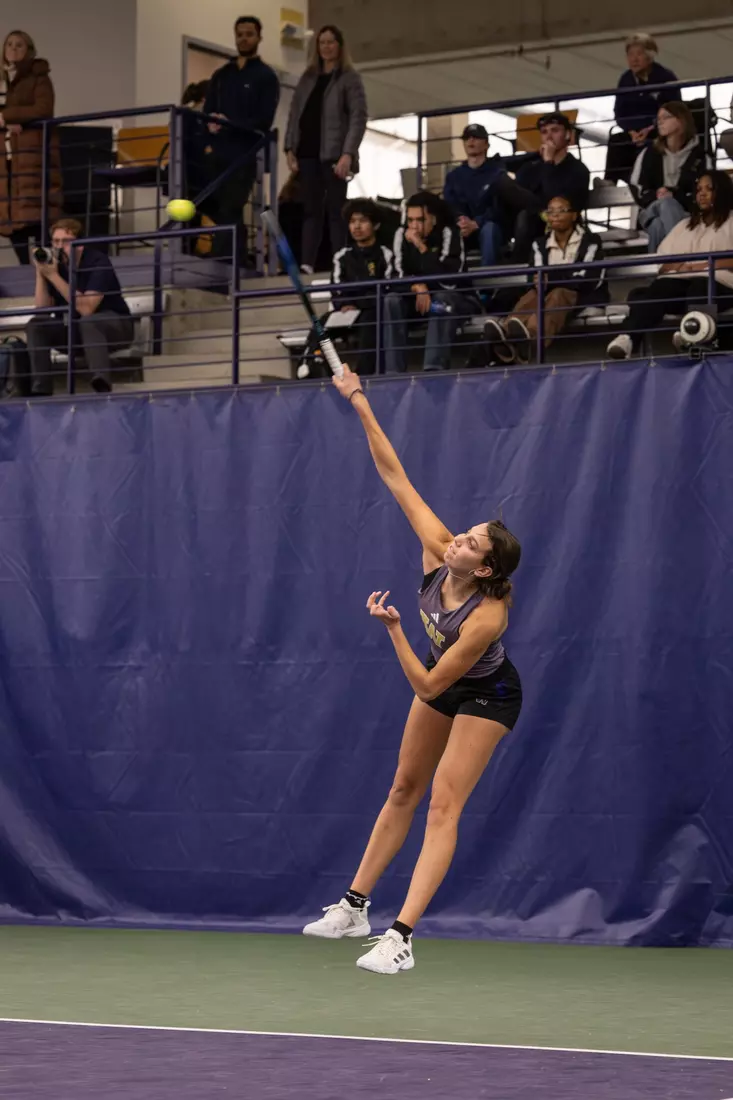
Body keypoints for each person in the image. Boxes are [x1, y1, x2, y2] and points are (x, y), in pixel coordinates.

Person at [302, 363, 522, 974]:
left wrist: (397, 629)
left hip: (488, 696)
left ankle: (400, 939)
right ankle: (355, 906)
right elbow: (395, 474)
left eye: (472, 543)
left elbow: (429, 684)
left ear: (484, 569)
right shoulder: (437, 549)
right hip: (441, 679)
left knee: (443, 805)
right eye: (467, 533)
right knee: (403, 787)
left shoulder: (487, 618)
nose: (459, 540)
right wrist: (358, 401)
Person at [606, 172, 733, 360]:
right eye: (699, 190)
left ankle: (694, 336)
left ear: (722, 192)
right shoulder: (684, 225)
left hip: (722, 286)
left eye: (709, 189)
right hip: (681, 284)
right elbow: (662, 264)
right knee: (660, 287)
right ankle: (628, 338)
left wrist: (704, 266)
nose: (702, 194)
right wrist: (675, 266)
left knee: (700, 286)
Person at [483, 195, 607, 365]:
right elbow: (534, 275)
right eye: (550, 211)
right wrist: (552, 279)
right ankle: (505, 334)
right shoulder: (539, 244)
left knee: (558, 293)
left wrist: (552, 278)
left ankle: (531, 339)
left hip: (582, 296)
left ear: (574, 215)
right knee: (532, 295)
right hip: (546, 293)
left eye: (561, 210)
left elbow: (588, 277)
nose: (555, 215)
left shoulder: (591, 241)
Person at [285, 25, 367, 274]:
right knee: (310, 210)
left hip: (334, 155)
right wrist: (290, 147)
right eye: (322, 43)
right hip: (307, 153)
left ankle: (339, 262)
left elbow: (358, 117)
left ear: (339, 46)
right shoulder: (308, 78)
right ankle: (307, 263)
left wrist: (348, 153)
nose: (326, 47)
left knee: (335, 210)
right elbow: (294, 113)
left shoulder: (349, 78)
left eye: (331, 42)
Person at [25, 218, 134, 395]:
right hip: (74, 330)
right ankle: (40, 389)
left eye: (66, 241)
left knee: (89, 321)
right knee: (36, 325)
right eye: (55, 241)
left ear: (81, 244)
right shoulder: (56, 266)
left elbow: (86, 308)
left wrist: (53, 277)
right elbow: (42, 310)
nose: (60, 247)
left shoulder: (97, 261)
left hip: (113, 326)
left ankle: (102, 383)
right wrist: (40, 274)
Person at [203, 16, 280, 261]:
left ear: (259, 38)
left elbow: (264, 120)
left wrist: (230, 122)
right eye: (240, 34)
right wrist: (211, 123)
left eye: (249, 34)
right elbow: (207, 110)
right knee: (216, 204)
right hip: (217, 151)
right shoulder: (221, 75)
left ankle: (221, 257)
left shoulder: (266, 76)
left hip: (244, 152)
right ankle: (238, 256)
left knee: (232, 204)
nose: (244, 39)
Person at [298, 199, 393, 378]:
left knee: (371, 321)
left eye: (363, 221)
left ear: (376, 225)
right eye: (352, 221)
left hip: (371, 312)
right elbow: (337, 288)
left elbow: (386, 288)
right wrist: (345, 304)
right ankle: (308, 365)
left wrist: (359, 303)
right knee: (321, 324)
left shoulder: (385, 254)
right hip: (346, 311)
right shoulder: (342, 256)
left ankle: (364, 376)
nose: (357, 226)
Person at [384, 191, 466, 374]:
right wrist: (416, 286)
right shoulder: (400, 235)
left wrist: (421, 247)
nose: (413, 227)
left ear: (434, 219)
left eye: (420, 220)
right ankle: (393, 372)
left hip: (444, 306)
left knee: (441, 299)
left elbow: (449, 281)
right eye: (410, 220)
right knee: (391, 300)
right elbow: (394, 277)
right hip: (416, 303)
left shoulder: (449, 233)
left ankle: (433, 370)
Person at [0, 29, 63, 264]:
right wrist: (6, 122)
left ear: (29, 50)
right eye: (9, 44)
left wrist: (8, 117)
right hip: (6, 156)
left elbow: (43, 109)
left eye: (19, 45)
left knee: (35, 212)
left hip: (31, 154)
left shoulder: (39, 76)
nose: (13, 49)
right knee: (10, 217)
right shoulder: (2, 78)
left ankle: (43, 267)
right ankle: (26, 267)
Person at [630, 101, 709, 254]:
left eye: (666, 117)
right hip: (652, 208)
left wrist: (674, 196)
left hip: (687, 213)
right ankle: (683, 255)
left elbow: (706, 191)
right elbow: (636, 186)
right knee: (665, 204)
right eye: (658, 118)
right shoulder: (649, 153)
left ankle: (661, 273)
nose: (660, 122)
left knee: (657, 226)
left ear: (681, 120)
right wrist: (657, 195)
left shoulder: (700, 157)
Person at [510, 113, 590, 263]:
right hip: (533, 225)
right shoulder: (531, 167)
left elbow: (556, 199)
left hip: (563, 225)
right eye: (544, 132)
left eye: (555, 130)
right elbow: (520, 196)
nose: (549, 136)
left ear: (567, 135)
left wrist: (548, 163)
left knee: (527, 218)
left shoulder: (578, 170)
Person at [605, 33, 679, 184]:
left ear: (650, 55)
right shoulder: (625, 80)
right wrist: (631, 131)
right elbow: (619, 113)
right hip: (633, 132)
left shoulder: (666, 77)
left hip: (659, 130)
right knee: (616, 140)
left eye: (639, 54)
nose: (634, 59)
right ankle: (609, 182)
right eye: (630, 54)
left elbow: (675, 110)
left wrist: (651, 128)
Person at [443, 123, 507, 267]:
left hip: (489, 229)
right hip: (463, 229)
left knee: (489, 229)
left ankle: (488, 284)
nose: (471, 141)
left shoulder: (497, 173)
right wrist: (461, 219)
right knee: (449, 231)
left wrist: (477, 223)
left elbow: (500, 207)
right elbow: (449, 205)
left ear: (486, 144)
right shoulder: (454, 176)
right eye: (467, 138)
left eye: (476, 137)